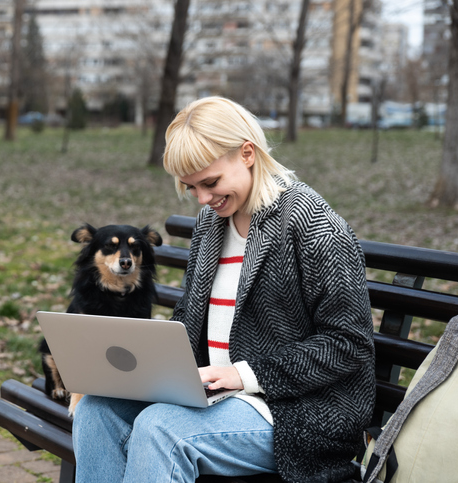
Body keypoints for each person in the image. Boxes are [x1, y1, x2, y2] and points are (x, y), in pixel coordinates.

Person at [72, 96, 376, 483]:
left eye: (210, 183)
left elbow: (349, 343)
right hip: (209, 392)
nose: (202, 199)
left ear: (247, 153)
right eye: (190, 187)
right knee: (97, 410)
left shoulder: (314, 225)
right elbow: (191, 315)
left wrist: (245, 375)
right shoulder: (212, 224)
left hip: (293, 410)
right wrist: (153, 363)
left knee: (160, 429)